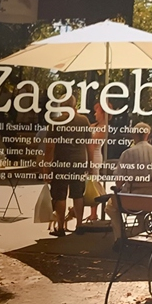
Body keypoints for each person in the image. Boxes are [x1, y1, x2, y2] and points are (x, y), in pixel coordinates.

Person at [104, 122, 152, 247]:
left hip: (132, 200)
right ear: (148, 135)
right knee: (142, 209)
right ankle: (140, 232)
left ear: (134, 135)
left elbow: (119, 182)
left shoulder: (128, 153)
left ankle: (120, 237)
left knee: (110, 207)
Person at [43, 96, 94, 237]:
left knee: (60, 196)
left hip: (61, 163)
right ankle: (79, 225)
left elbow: (50, 147)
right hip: (79, 162)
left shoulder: (55, 122)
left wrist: (46, 167)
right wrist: (90, 163)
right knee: (78, 194)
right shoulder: (83, 121)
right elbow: (89, 144)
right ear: (74, 105)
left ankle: (60, 228)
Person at [86, 101, 108, 222]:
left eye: (97, 111)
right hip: (87, 155)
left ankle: (94, 212)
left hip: (95, 156)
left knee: (93, 183)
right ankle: (92, 212)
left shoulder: (104, 127)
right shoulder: (94, 125)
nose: (95, 114)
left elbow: (93, 142)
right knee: (89, 182)